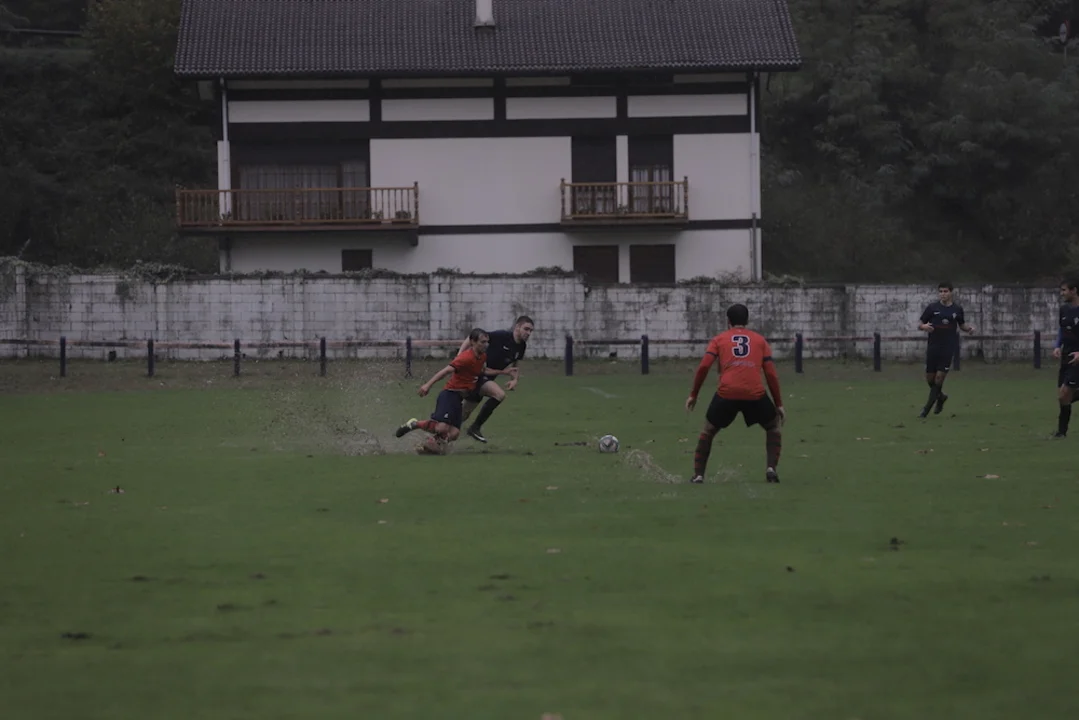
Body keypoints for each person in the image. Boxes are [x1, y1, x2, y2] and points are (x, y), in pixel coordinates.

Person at [684, 303, 786, 484]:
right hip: (755, 394)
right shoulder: (760, 341)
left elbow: (704, 366)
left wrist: (694, 394)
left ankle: (699, 475)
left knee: (708, 431)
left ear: (728, 321)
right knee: (773, 427)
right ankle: (771, 468)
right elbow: (771, 374)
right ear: (747, 320)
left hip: (727, 393)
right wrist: (778, 404)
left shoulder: (719, 339)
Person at [393, 328, 513, 454]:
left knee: (454, 434)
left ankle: (430, 445)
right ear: (472, 342)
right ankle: (415, 424)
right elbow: (445, 371)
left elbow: (483, 370)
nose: (486, 345)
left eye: (487, 342)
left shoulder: (482, 356)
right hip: (450, 394)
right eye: (482, 342)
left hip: (459, 398)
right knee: (441, 428)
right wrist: (428, 385)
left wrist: (504, 372)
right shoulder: (465, 358)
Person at [456, 315, 534, 443]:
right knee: (499, 395)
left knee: (462, 416)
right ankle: (474, 428)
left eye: (531, 330)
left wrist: (514, 379)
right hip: (476, 375)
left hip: (486, 378)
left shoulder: (521, 346)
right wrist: (459, 356)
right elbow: (471, 337)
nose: (528, 333)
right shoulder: (501, 336)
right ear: (517, 327)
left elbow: (515, 364)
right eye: (526, 329)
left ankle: (440, 437)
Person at [916, 282, 975, 418]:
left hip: (947, 348)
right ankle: (941, 397)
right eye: (941, 291)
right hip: (933, 347)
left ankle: (925, 410)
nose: (943, 294)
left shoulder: (957, 309)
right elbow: (920, 324)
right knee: (930, 378)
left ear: (951, 292)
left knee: (939, 378)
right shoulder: (932, 308)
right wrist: (924, 327)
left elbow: (962, 325)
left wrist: (969, 329)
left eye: (945, 291)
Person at [1052, 279, 1079, 438]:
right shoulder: (1064, 310)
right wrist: (1057, 346)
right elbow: (1062, 330)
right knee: (1064, 397)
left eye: (1064, 290)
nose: (1061, 293)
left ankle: (1061, 433)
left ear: (1074, 290)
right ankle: (1061, 432)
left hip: (1077, 358)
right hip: (1066, 355)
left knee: (1064, 394)